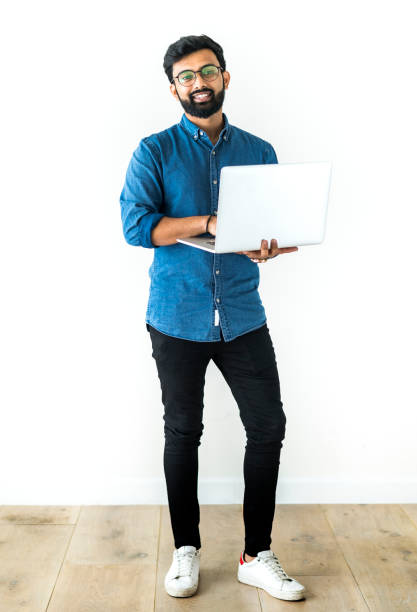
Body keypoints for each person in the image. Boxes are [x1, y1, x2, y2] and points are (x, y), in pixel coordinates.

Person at [119, 34, 305, 602]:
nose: (198, 83)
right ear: (173, 88)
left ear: (225, 77)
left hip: (244, 315)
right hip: (176, 316)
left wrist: (264, 245)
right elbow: (136, 228)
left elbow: (262, 228)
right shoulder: (153, 152)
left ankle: (256, 553)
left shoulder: (260, 150)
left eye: (207, 72)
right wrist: (209, 221)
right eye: (186, 76)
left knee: (268, 427)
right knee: (183, 431)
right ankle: (185, 550)